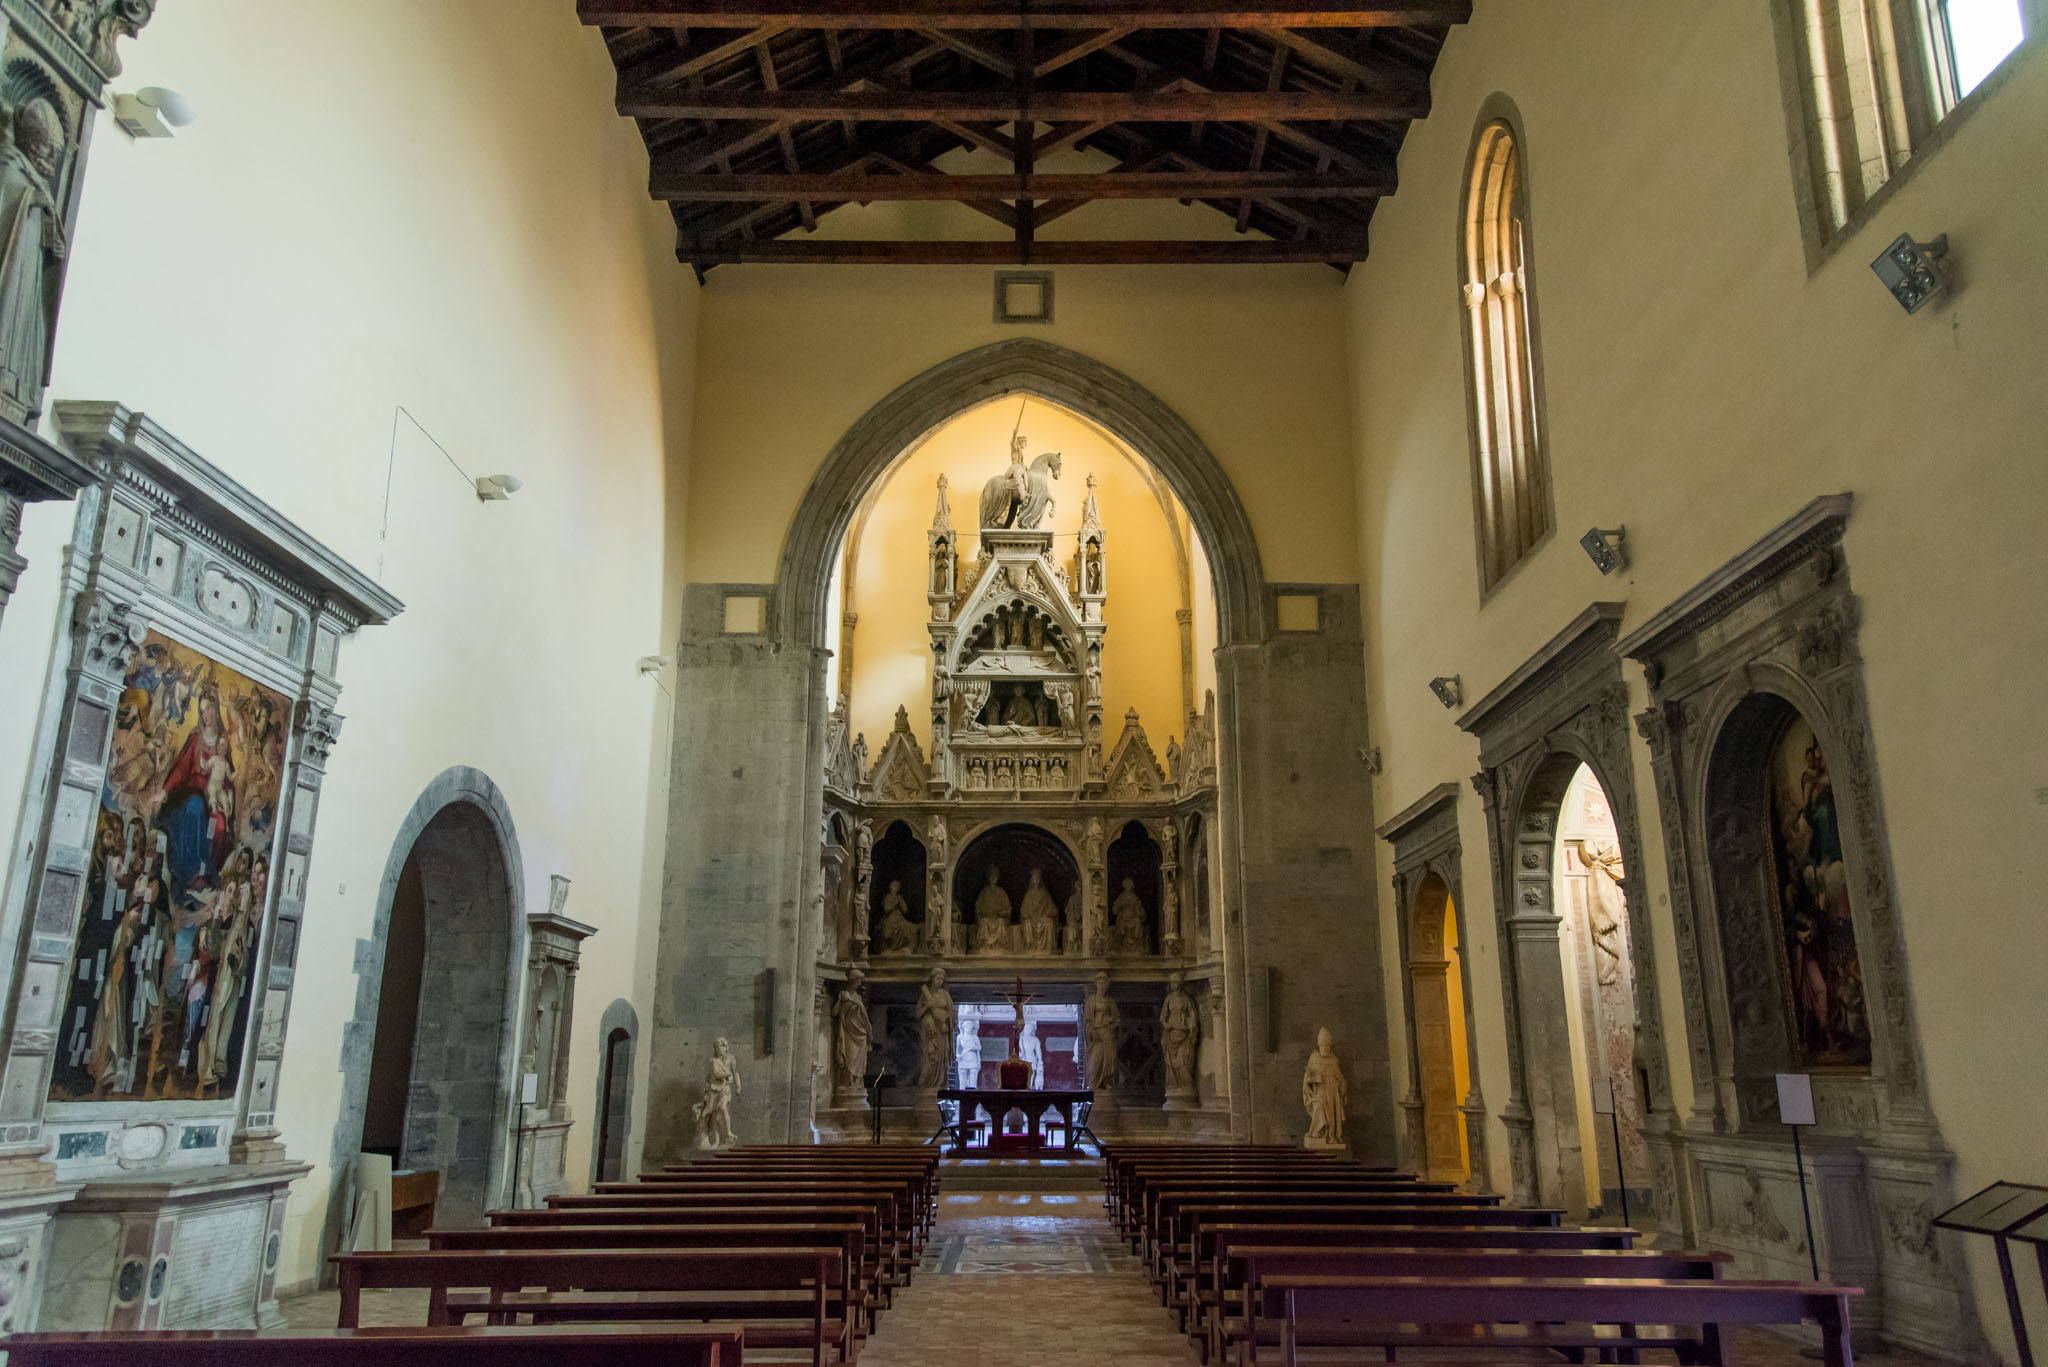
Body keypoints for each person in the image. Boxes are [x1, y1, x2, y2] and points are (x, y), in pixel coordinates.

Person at [1302, 1027, 1348, 1146]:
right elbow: (1307, 1079)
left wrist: (1343, 1085)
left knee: (1333, 1115)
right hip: (1320, 1090)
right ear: (1319, 1045)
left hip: (1333, 1092)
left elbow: (1340, 1076)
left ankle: (1332, 1136)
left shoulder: (1334, 1060)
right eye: (1323, 1045)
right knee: (1320, 1107)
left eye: (1327, 1045)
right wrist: (1315, 1078)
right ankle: (1319, 1133)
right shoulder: (1314, 1058)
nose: (1325, 1048)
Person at [695, 1036, 742, 1148]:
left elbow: (735, 1072)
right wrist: (727, 1075)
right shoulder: (713, 1060)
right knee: (714, 1115)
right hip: (713, 1089)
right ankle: (716, 1141)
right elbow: (715, 1074)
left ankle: (729, 1133)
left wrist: (739, 1086)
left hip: (724, 1088)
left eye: (721, 1046)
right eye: (717, 1046)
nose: (719, 1048)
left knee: (723, 1107)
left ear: (726, 1047)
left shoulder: (731, 1058)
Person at [916, 968, 955, 1088]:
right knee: (929, 1056)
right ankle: (927, 1083)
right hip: (929, 1029)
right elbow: (918, 1014)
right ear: (932, 979)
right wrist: (928, 1006)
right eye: (937, 978)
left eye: (942, 979)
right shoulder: (925, 993)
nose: (940, 981)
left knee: (940, 1058)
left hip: (941, 1030)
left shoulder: (945, 994)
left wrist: (945, 1020)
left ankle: (939, 1084)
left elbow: (952, 1011)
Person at [1083, 971, 1119, 1094]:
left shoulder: (1110, 1001)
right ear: (1096, 985)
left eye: (1104, 983)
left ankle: (1105, 1082)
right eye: (1100, 983)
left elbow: (1117, 1019)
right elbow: (1087, 1020)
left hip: (1108, 1034)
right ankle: (1092, 1085)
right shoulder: (1091, 1000)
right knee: (1094, 1062)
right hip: (1096, 1036)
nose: (1102, 986)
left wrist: (1111, 1025)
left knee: (1108, 1060)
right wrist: (1092, 1031)